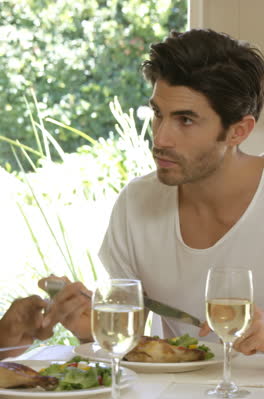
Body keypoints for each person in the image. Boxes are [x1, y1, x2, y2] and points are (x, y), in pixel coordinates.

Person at [40, 28, 264, 355]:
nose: (160, 139)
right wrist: (90, 330)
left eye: (185, 120)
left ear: (237, 131)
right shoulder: (137, 203)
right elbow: (131, 343)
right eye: (159, 114)